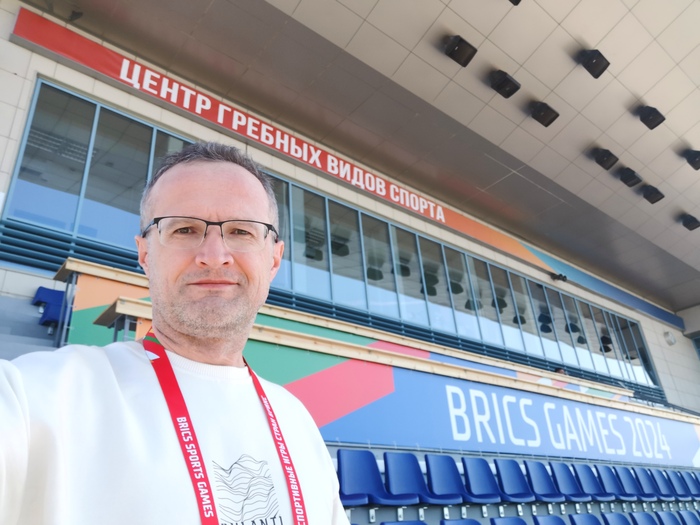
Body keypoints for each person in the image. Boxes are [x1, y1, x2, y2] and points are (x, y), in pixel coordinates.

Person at [0, 142, 350, 525]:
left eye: (241, 231)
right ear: (145, 254)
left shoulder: (298, 422)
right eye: (184, 229)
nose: (214, 256)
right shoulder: (37, 397)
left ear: (274, 260)